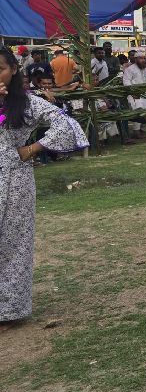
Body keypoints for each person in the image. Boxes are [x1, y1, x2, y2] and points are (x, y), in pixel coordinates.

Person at [0, 47, 88, 332]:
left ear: (14, 69)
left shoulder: (26, 103)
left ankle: (8, 309)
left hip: (14, 179)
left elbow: (65, 123)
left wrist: (33, 148)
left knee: (14, 242)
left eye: (0, 67)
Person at [123, 52, 146, 137]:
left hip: (145, 93)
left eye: (144, 58)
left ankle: (143, 130)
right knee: (138, 111)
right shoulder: (130, 69)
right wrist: (133, 92)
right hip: (134, 94)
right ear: (136, 59)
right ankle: (136, 131)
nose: (143, 60)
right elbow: (126, 82)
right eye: (141, 58)